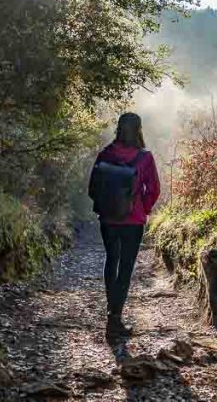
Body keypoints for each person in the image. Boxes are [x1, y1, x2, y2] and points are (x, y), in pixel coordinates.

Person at [88, 112, 160, 337]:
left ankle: (112, 313)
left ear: (118, 128)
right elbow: (154, 189)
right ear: (138, 130)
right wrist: (143, 209)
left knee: (111, 261)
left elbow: (93, 188)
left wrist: (105, 206)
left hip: (108, 219)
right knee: (126, 267)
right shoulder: (144, 158)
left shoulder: (105, 154)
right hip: (133, 220)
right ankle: (115, 318)